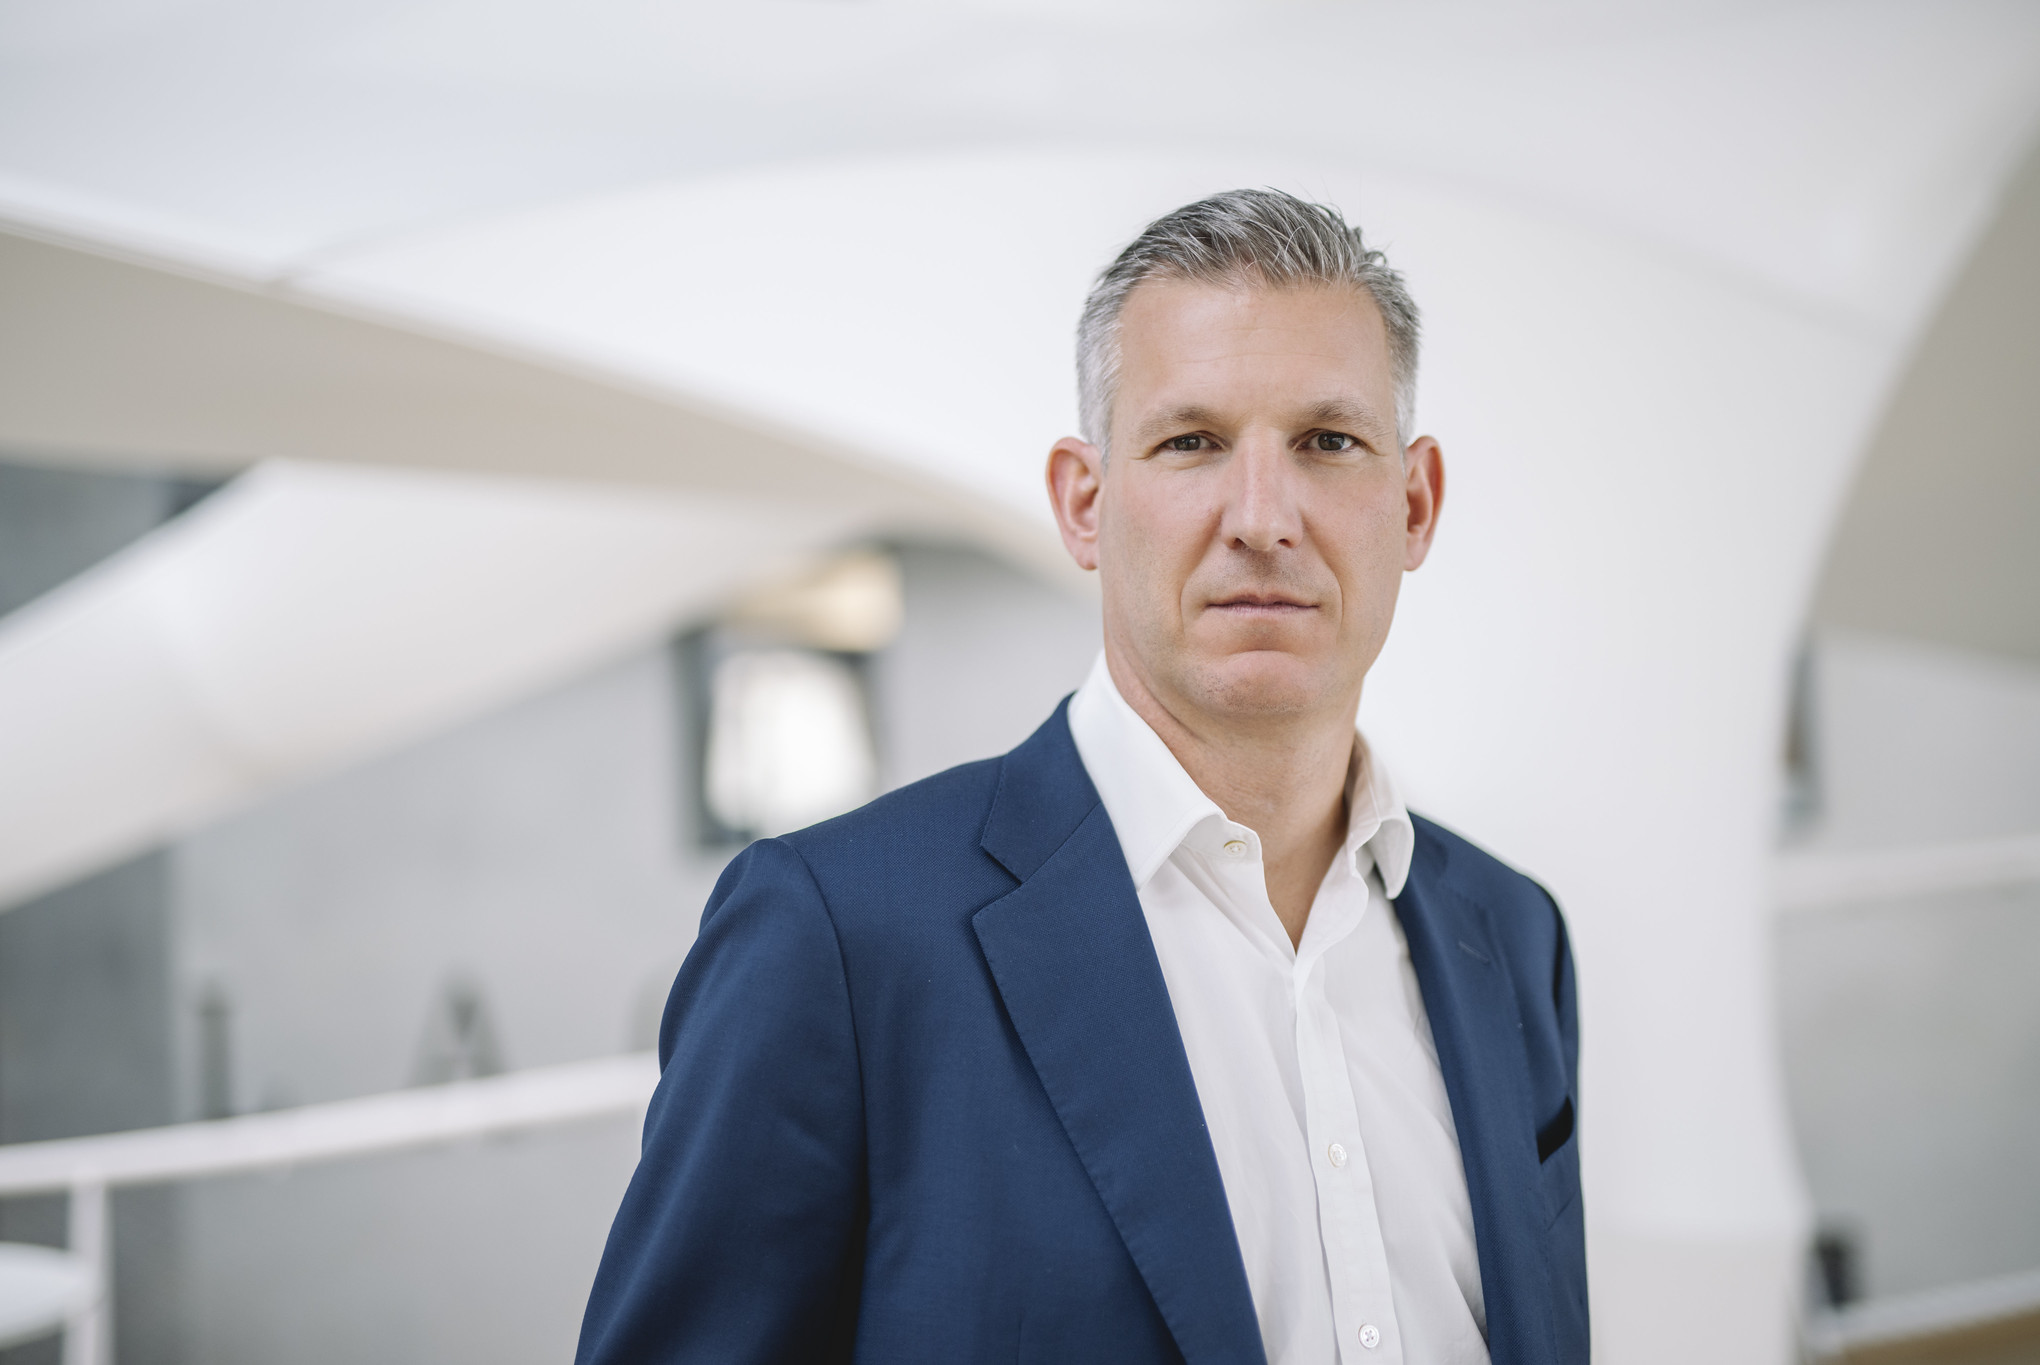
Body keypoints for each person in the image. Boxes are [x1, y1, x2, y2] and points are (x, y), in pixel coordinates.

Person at [577, 189, 1585, 1365]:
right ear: (1084, 503)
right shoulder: (838, 938)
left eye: (1326, 442)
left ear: (1411, 504)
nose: (1262, 519)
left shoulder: (1511, 936)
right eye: (1190, 442)